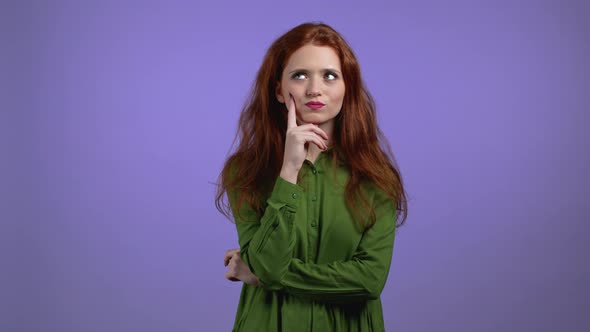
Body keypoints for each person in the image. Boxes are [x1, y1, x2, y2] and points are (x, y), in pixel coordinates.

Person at [215, 22, 408, 332]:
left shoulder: (376, 176)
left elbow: (370, 280)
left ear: (348, 87)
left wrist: (260, 274)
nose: (315, 89)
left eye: (330, 76)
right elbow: (269, 263)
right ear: (279, 89)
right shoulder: (245, 171)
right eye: (300, 75)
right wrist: (289, 171)